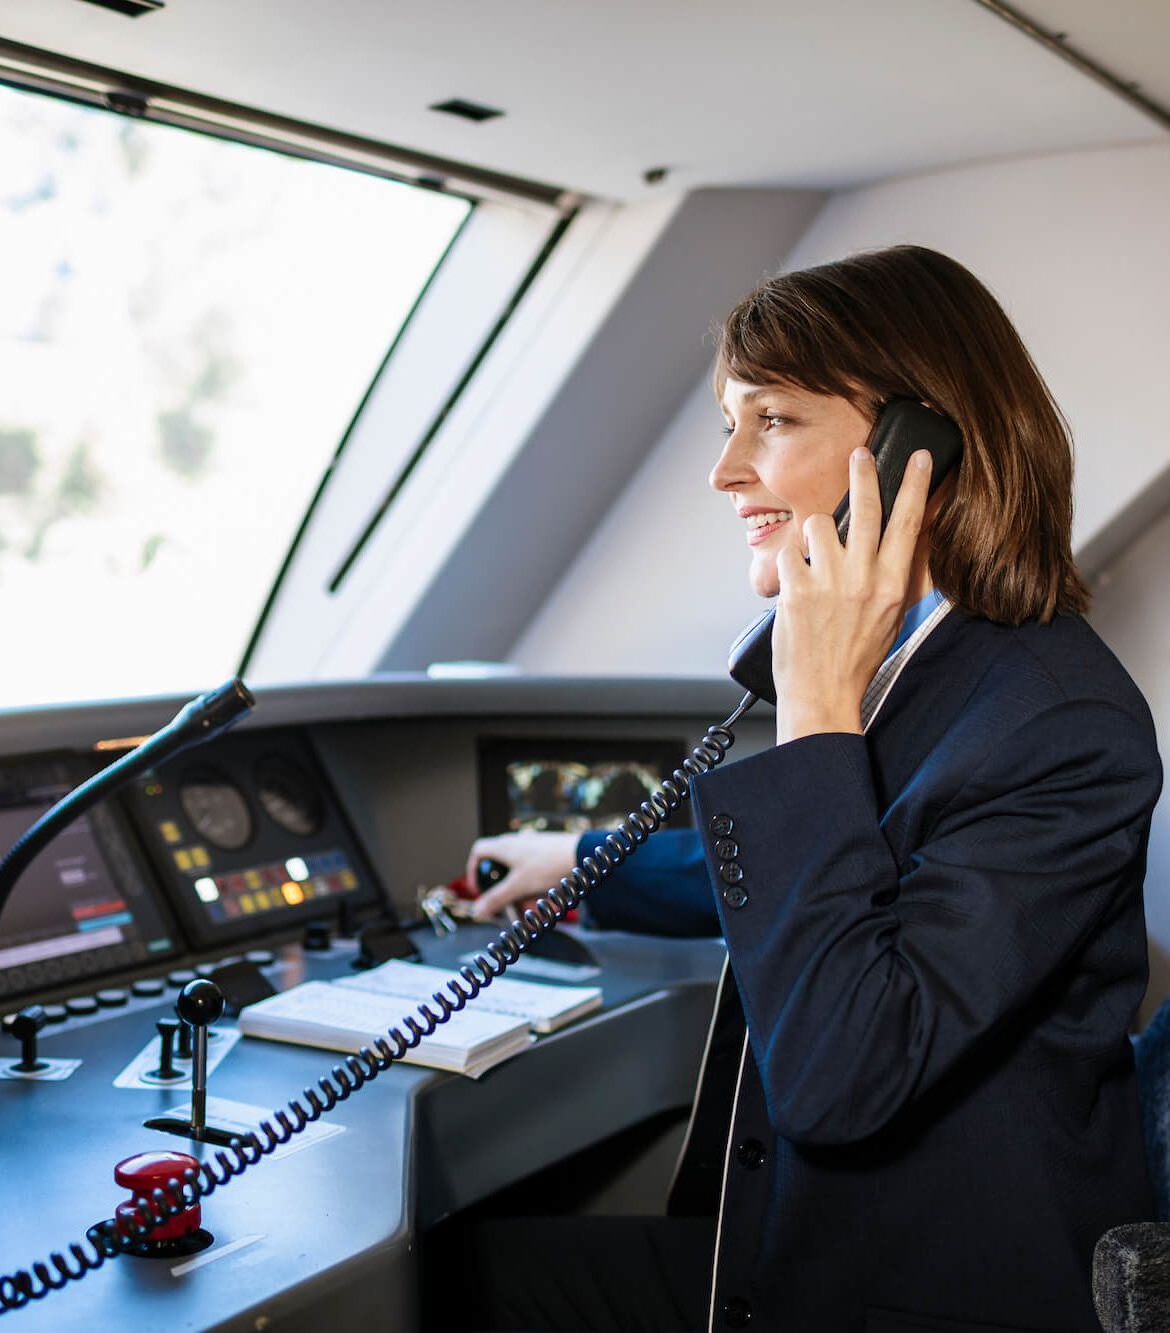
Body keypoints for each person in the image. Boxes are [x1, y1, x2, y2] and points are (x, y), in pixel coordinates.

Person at [449, 245, 1162, 1332]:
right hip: (799, 1242)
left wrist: (814, 707)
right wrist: (584, 864)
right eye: (729, 422)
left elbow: (845, 1071)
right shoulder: (927, 666)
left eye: (771, 419)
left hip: (935, 1288)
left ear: (918, 449)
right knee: (473, 1271)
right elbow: (859, 868)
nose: (725, 469)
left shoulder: (1060, 723)